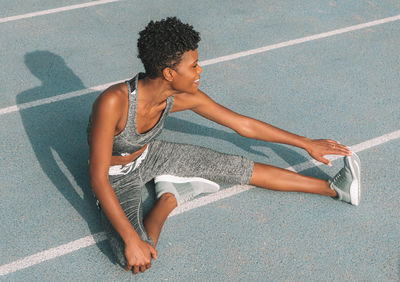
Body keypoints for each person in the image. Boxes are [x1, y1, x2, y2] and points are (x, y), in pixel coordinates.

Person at [87, 17, 361, 275]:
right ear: (169, 72)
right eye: (193, 65)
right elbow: (98, 178)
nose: (200, 70)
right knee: (134, 256)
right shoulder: (114, 102)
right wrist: (133, 240)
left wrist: (305, 143)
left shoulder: (181, 96)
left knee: (233, 167)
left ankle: (334, 189)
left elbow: (244, 125)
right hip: (116, 177)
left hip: (151, 156)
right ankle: (169, 198)